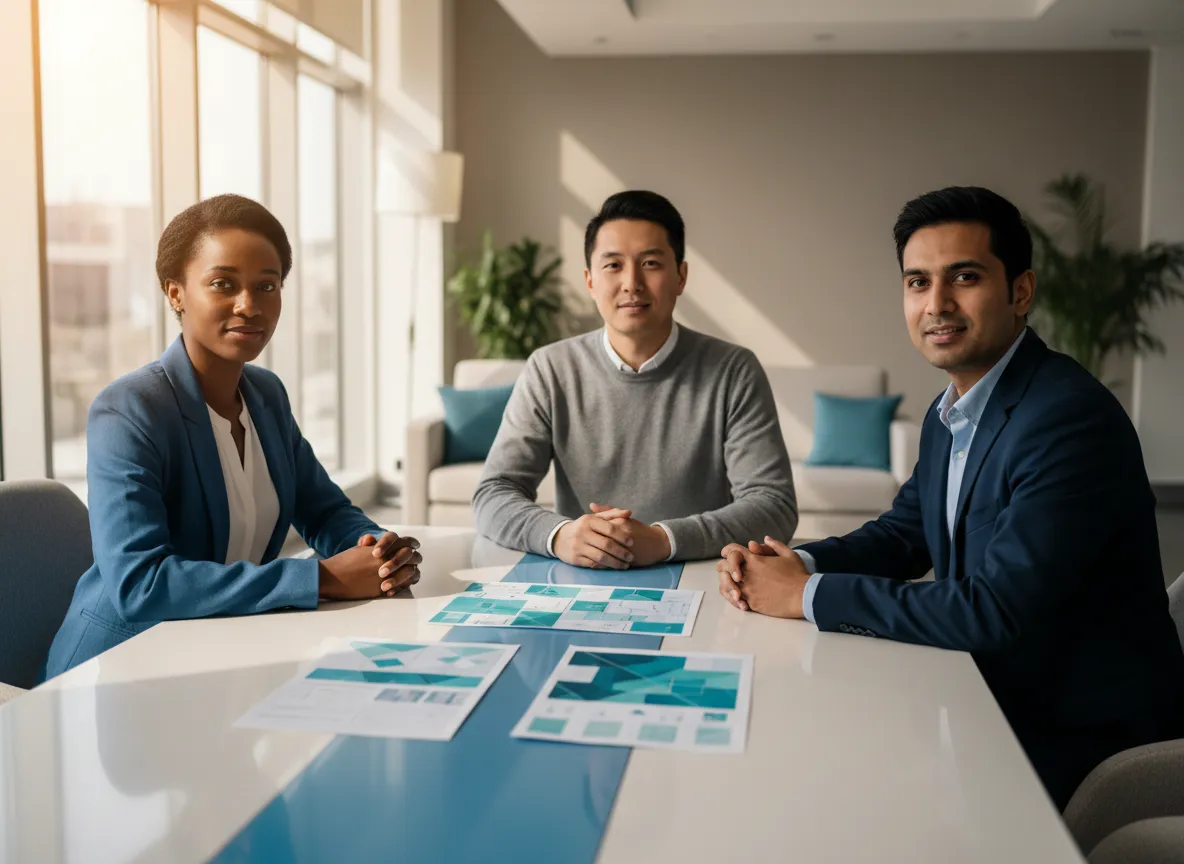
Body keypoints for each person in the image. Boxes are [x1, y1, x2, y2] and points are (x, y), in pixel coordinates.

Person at [718, 186, 1184, 809]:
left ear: (1020, 291)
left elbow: (994, 611)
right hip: (988, 697)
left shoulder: (1067, 418)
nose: (936, 304)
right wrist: (795, 563)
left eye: (964, 277)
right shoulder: (951, 413)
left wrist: (804, 596)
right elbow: (903, 534)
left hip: (1074, 743)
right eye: (917, 282)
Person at [44, 194, 421, 678]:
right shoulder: (129, 410)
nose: (249, 305)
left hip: (229, 649)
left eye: (267, 285)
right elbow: (141, 584)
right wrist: (322, 579)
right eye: (223, 284)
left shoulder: (266, 394)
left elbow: (324, 509)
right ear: (176, 293)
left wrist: (379, 551)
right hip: (118, 669)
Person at [473, 190, 797, 568]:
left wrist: (664, 540)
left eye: (651, 263)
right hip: (580, 575)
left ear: (681, 276)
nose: (632, 283)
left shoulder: (733, 370)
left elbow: (774, 505)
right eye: (613, 265)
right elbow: (494, 493)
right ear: (590, 281)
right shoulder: (550, 369)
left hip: (703, 575)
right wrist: (560, 536)